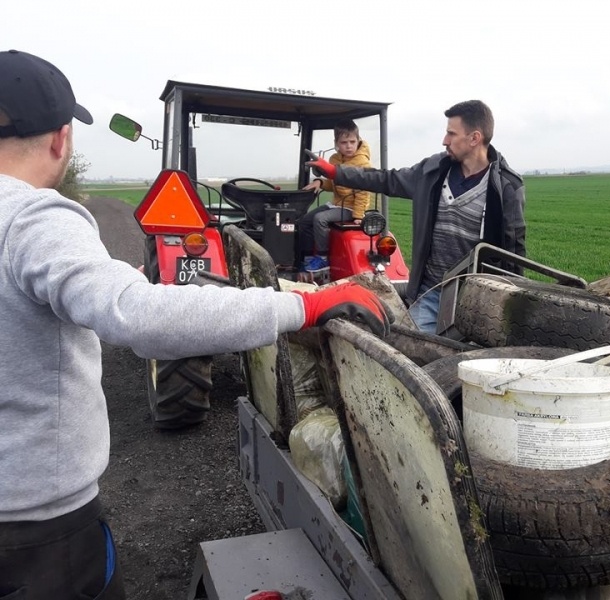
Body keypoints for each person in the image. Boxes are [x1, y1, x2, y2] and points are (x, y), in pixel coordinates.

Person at [0, 49, 390, 600]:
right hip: (36, 533)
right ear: (62, 139)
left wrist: (124, 278)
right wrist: (302, 305)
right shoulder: (34, 218)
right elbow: (138, 314)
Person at [306, 100, 527, 332]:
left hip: (476, 301)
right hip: (431, 292)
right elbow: (386, 179)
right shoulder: (432, 171)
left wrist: (510, 311)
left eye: (451, 134)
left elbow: (513, 255)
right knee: (409, 352)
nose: (445, 140)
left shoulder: (506, 188)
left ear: (474, 138)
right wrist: (336, 172)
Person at [298, 119, 372, 270]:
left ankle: (323, 258)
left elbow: (363, 192)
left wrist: (358, 216)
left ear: (358, 140)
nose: (349, 146)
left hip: (351, 208)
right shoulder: (334, 159)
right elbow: (334, 183)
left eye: (352, 141)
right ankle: (306, 257)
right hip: (337, 204)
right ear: (336, 143)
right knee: (304, 221)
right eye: (344, 142)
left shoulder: (363, 163)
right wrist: (320, 182)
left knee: (320, 219)